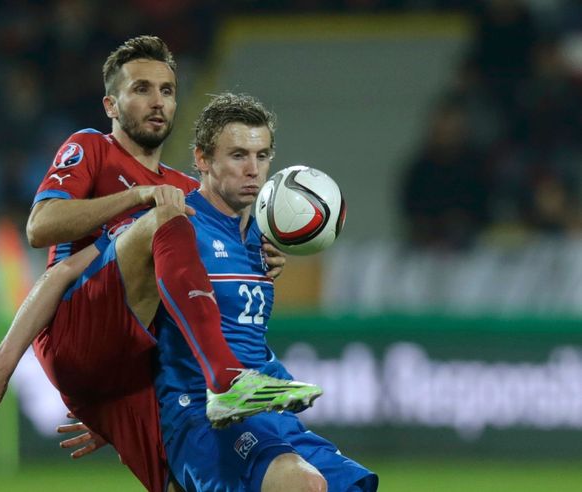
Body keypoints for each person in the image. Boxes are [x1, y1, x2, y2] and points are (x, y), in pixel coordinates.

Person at [0, 38, 319, 492]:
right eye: (141, 88)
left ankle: (221, 385)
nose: (157, 101)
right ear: (111, 105)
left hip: (134, 362)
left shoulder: (181, 188)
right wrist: (1, 364)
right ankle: (225, 376)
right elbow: (41, 231)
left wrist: (256, 258)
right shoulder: (93, 151)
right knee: (167, 217)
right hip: (77, 327)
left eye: (167, 90)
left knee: (190, 472)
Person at [54, 93, 378, 491]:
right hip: (199, 415)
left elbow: (246, 337)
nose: (253, 171)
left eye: (262, 156)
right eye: (238, 155)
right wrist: (113, 408)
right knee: (301, 484)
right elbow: (109, 307)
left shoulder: (262, 238)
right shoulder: (173, 224)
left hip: (264, 410)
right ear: (203, 160)